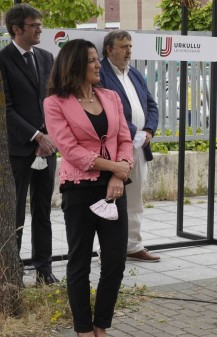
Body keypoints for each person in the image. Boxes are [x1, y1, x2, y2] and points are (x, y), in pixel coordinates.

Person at [44, 39, 133, 337]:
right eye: (93, 60)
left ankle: (101, 326)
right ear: (76, 66)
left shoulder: (110, 97)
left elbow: (124, 139)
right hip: (79, 189)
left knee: (115, 262)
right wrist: (114, 169)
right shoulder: (55, 103)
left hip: (114, 189)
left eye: (97, 59)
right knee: (80, 262)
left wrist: (120, 175)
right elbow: (70, 151)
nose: (99, 65)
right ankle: (83, 329)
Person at [0, 3, 58, 285]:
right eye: (34, 25)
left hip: (48, 148)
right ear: (17, 29)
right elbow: (6, 109)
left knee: (43, 210)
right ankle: (12, 272)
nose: (40, 30)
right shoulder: (2, 60)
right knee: (16, 213)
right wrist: (36, 136)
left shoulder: (47, 58)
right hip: (21, 149)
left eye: (39, 24)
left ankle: (44, 271)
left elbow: (55, 101)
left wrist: (51, 136)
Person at [99, 30, 161, 262]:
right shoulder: (102, 74)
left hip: (139, 146)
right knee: (112, 197)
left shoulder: (134, 73)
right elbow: (106, 111)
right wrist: (133, 132)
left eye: (130, 46)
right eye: (123, 47)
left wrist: (148, 131)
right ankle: (108, 249)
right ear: (109, 50)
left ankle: (133, 245)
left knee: (136, 197)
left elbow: (151, 105)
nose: (129, 51)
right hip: (115, 148)